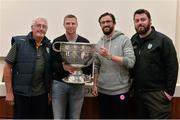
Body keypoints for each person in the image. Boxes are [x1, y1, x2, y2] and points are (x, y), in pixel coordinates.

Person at [130, 9, 179, 119]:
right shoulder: (133, 40)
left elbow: (172, 67)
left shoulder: (163, 40)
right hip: (138, 95)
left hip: (157, 95)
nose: (140, 23)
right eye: (137, 20)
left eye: (143, 19)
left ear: (150, 21)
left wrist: (168, 93)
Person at [3, 17, 51, 119]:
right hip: (21, 95)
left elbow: (50, 72)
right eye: (38, 25)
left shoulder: (48, 46)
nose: (41, 28)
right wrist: (9, 92)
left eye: (44, 27)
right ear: (32, 28)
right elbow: (7, 67)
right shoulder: (19, 43)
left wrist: (49, 93)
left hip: (41, 95)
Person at [92, 12, 135, 119]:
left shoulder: (124, 40)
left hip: (121, 91)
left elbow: (130, 62)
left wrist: (110, 56)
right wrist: (95, 84)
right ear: (100, 25)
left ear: (114, 23)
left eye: (108, 21)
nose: (105, 24)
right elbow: (96, 66)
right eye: (103, 22)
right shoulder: (99, 44)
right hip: (102, 91)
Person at [51, 14, 92, 119]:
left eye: (73, 23)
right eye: (68, 23)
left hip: (78, 85)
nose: (70, 25)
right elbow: (51, 63)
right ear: (63, 25)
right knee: (58, 117)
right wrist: (63, 67)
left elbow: (89, 65)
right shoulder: (57, 42)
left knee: (75, 117)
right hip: (59, 84)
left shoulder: (85, 42)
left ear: (77, 25)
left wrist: (81, 71)